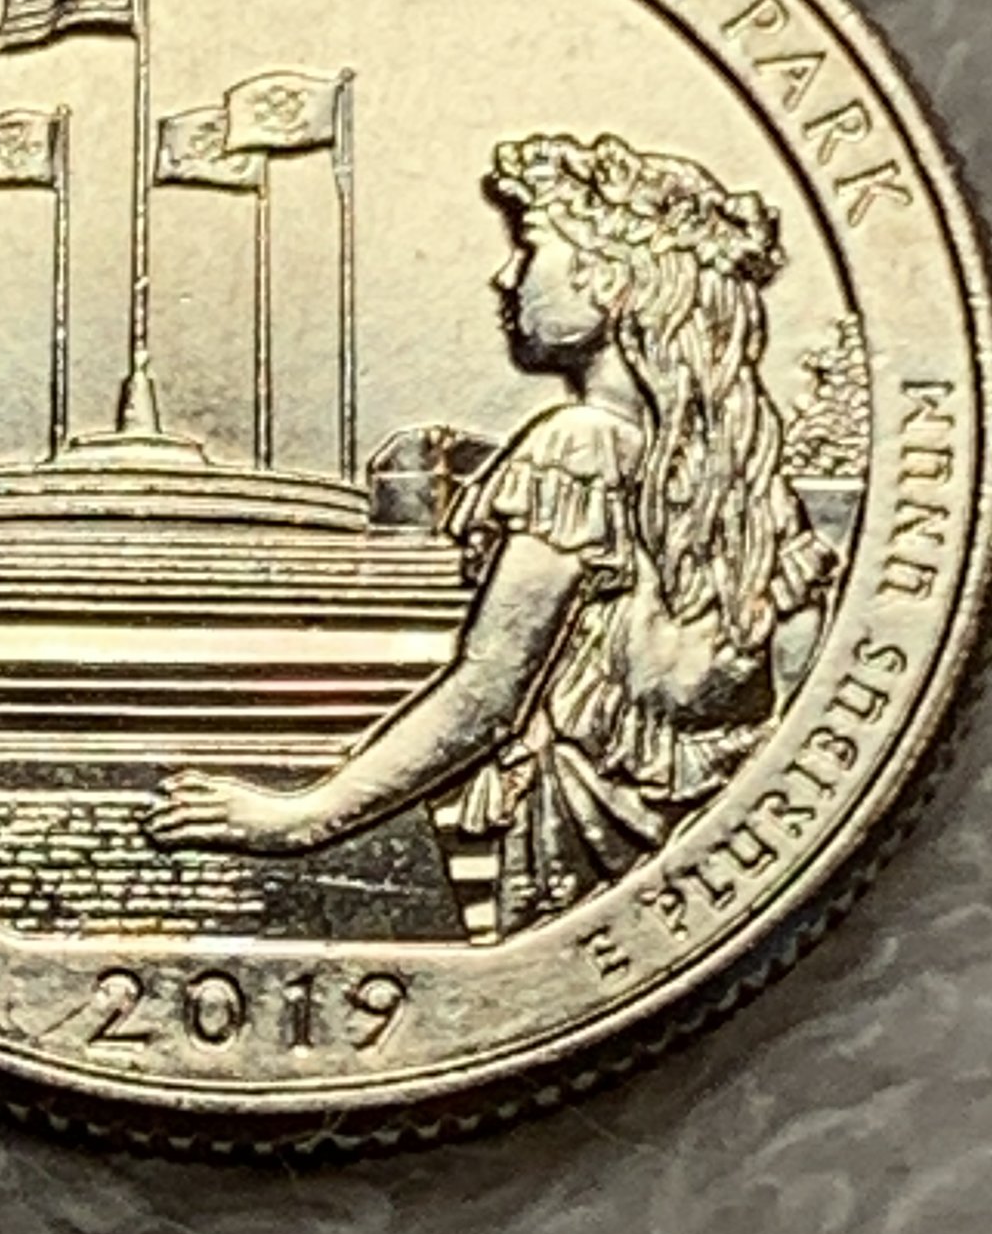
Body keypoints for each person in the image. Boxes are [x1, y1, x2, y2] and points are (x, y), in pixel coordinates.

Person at [145, 132, 838, 939]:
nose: (505, 275)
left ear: (610, 278)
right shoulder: (748, 478)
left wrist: (301, 820)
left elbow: (489, 696)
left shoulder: (578, 445)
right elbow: (795, 690)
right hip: (699, 883)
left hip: (581, 853)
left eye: (531, 246)